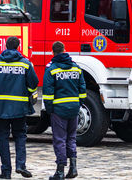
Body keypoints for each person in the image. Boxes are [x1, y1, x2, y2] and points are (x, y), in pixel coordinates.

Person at [43, 42, 86, 180]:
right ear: (64, 50)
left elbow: (48, 93)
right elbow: (82, 89)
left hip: (58, 110)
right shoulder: (76, 68)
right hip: (74, 109)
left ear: (53, 52)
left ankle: (60, 171)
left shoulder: (51, 69)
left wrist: (50, 109)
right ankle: (73, 168)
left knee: (60, 140)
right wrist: (78, 104)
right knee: (71, 138)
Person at [0, 36, 39, 179]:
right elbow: (33, 83)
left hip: (0, 108)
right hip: (19, 108)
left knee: (2, 138)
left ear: (5, 46)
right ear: (18, 47)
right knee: (20, 136)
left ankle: (6, 171)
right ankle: (21, 165)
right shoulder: (25, 64)